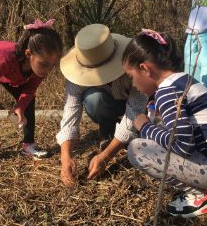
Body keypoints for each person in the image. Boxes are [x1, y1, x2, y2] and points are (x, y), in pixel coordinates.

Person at [122, 30, 207, 218]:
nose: (133, 84)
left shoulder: (166, 92)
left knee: (136, 149)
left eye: (131, 77)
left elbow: (183, 146)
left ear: (145, 69)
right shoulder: (184, 80)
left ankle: (203, 196)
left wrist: (145, 127)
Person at [57, 24, 148, 187]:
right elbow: (70, 114)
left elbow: (134, 110)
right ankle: (109, 133)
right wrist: (65, 158)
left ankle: (137, 133)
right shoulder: (75, 78)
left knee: (145, 123)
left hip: (137, 105)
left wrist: (106, 156)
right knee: (94, 99)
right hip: (107, 103)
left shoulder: (133, 66)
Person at [0, 19, 63, 165]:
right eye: (45, 64)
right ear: (29, 54)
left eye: (53, 65)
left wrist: (20, 107)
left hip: (8, 74)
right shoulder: (4, 58)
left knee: (29, 101)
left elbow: (30, 89)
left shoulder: (41, 68)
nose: (49, 70)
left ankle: (28, 145)